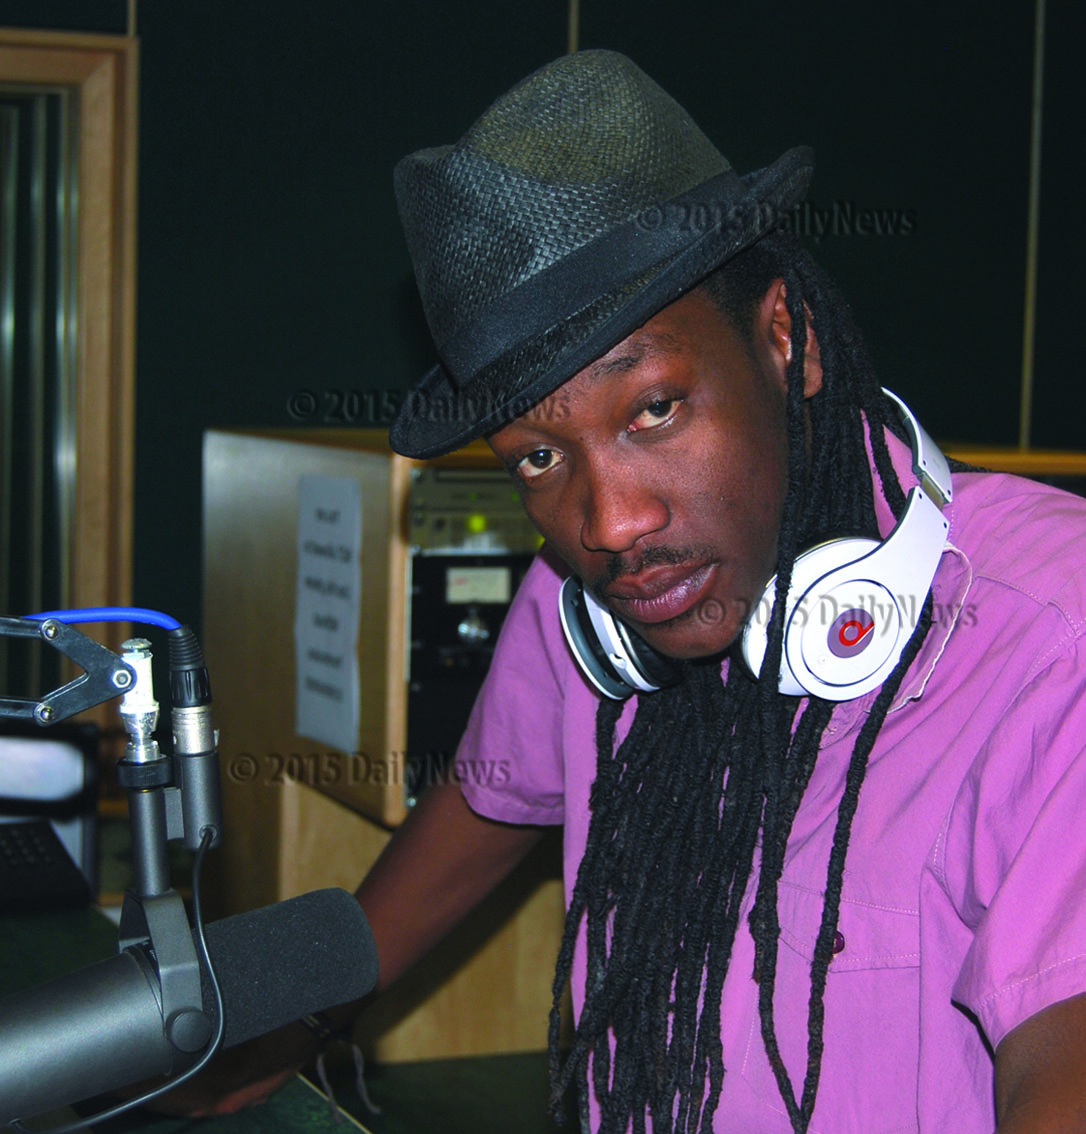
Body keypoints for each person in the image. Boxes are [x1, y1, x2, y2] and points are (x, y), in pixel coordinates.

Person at [182, 50, 1086, 1132]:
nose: (608, 525)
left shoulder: (1051, 638)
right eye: (537, 457)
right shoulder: (594, 603)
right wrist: (290, 1026)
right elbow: (483, 803)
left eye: (653, 409)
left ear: (786, 339)